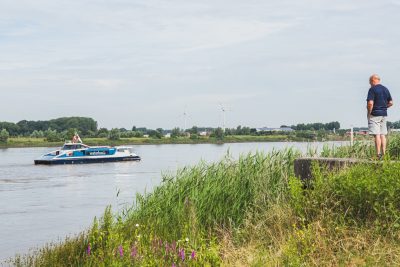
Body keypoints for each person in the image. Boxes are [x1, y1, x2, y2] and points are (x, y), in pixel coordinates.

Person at [366, 74, 393, 159]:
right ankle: (384, 154)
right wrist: (384, 107)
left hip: (375, 114)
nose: (370, 84)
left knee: (377, 134)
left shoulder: (372, 89)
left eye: (370, 82)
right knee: (383, 134)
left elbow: (370, 103)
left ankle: (378, 155)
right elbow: (391, 102)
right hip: (384, 114)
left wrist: (369, 112)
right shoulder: (385, 89)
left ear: (373, 80)